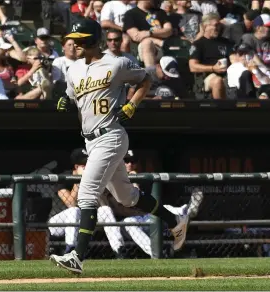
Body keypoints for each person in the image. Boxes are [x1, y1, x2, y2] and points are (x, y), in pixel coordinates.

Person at [50, 18, 191, 274]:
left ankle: (77, 257)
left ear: (93, 40)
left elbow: (145, 79)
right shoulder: (74, 70)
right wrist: (64, 103)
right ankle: (174, 220)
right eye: (74, 40)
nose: (76, 44)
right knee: (127, 197)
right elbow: (71, 98)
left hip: (111, 135)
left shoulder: (117, 63)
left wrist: (132, 104)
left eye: (81, 39)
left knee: (87, 194)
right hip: (90, 139)